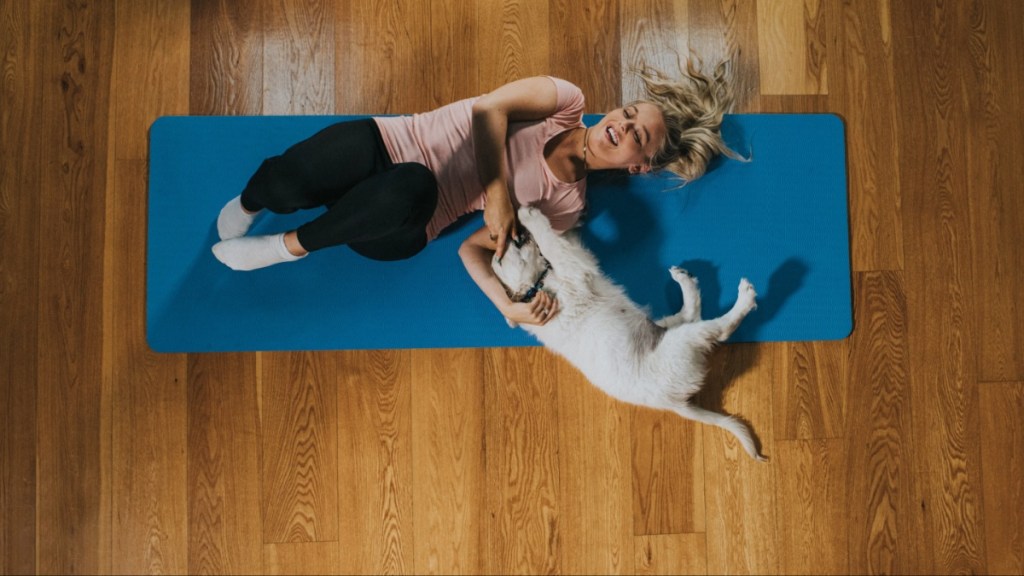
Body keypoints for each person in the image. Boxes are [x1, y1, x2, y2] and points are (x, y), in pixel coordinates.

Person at [212, 60, 737, 327]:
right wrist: (500, 194)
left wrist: (508, 307)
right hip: (394, 140)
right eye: (628, 114)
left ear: (640, 167)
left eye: (637, 136)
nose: (622, 127)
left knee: (411, 184)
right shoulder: (565, 102)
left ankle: (286, 248)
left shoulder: (568, 205)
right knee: (281, 182)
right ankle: (249, 206)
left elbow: (474, 248)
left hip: (406, 218)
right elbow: (490, 109)